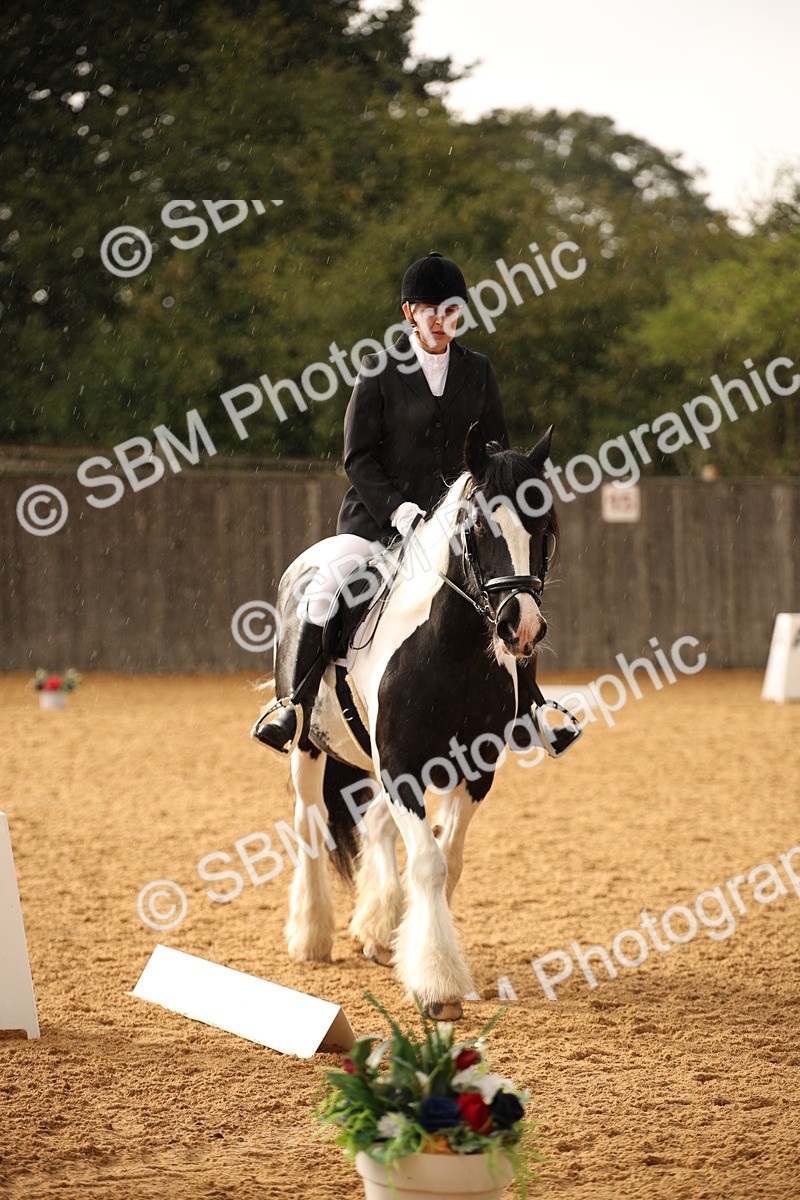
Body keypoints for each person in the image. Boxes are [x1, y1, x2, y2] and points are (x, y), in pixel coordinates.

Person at [253, 251, 510, 754]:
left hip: (455, 528)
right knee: (327, 586)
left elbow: (495, 451)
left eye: (451, 308)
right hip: (379, 523)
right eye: (430, 308)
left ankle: (532, 705)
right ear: (409, 312)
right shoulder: (379, 370)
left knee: (510, 585)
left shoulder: (478, 372)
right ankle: (294, 707)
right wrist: (399, 509)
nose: (441, 319)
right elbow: (358, 458)